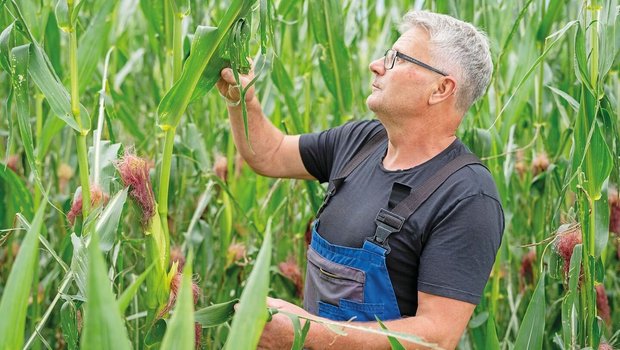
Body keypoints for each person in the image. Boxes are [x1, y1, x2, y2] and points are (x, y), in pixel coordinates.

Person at [217, 10, 504, 350]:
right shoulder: (360, 141)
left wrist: (305, 333)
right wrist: (242, 100)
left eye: (397, 58)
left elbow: (437, 337)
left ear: (441, 88)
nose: (376, 65)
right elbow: (271, 153)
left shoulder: (467, 197)